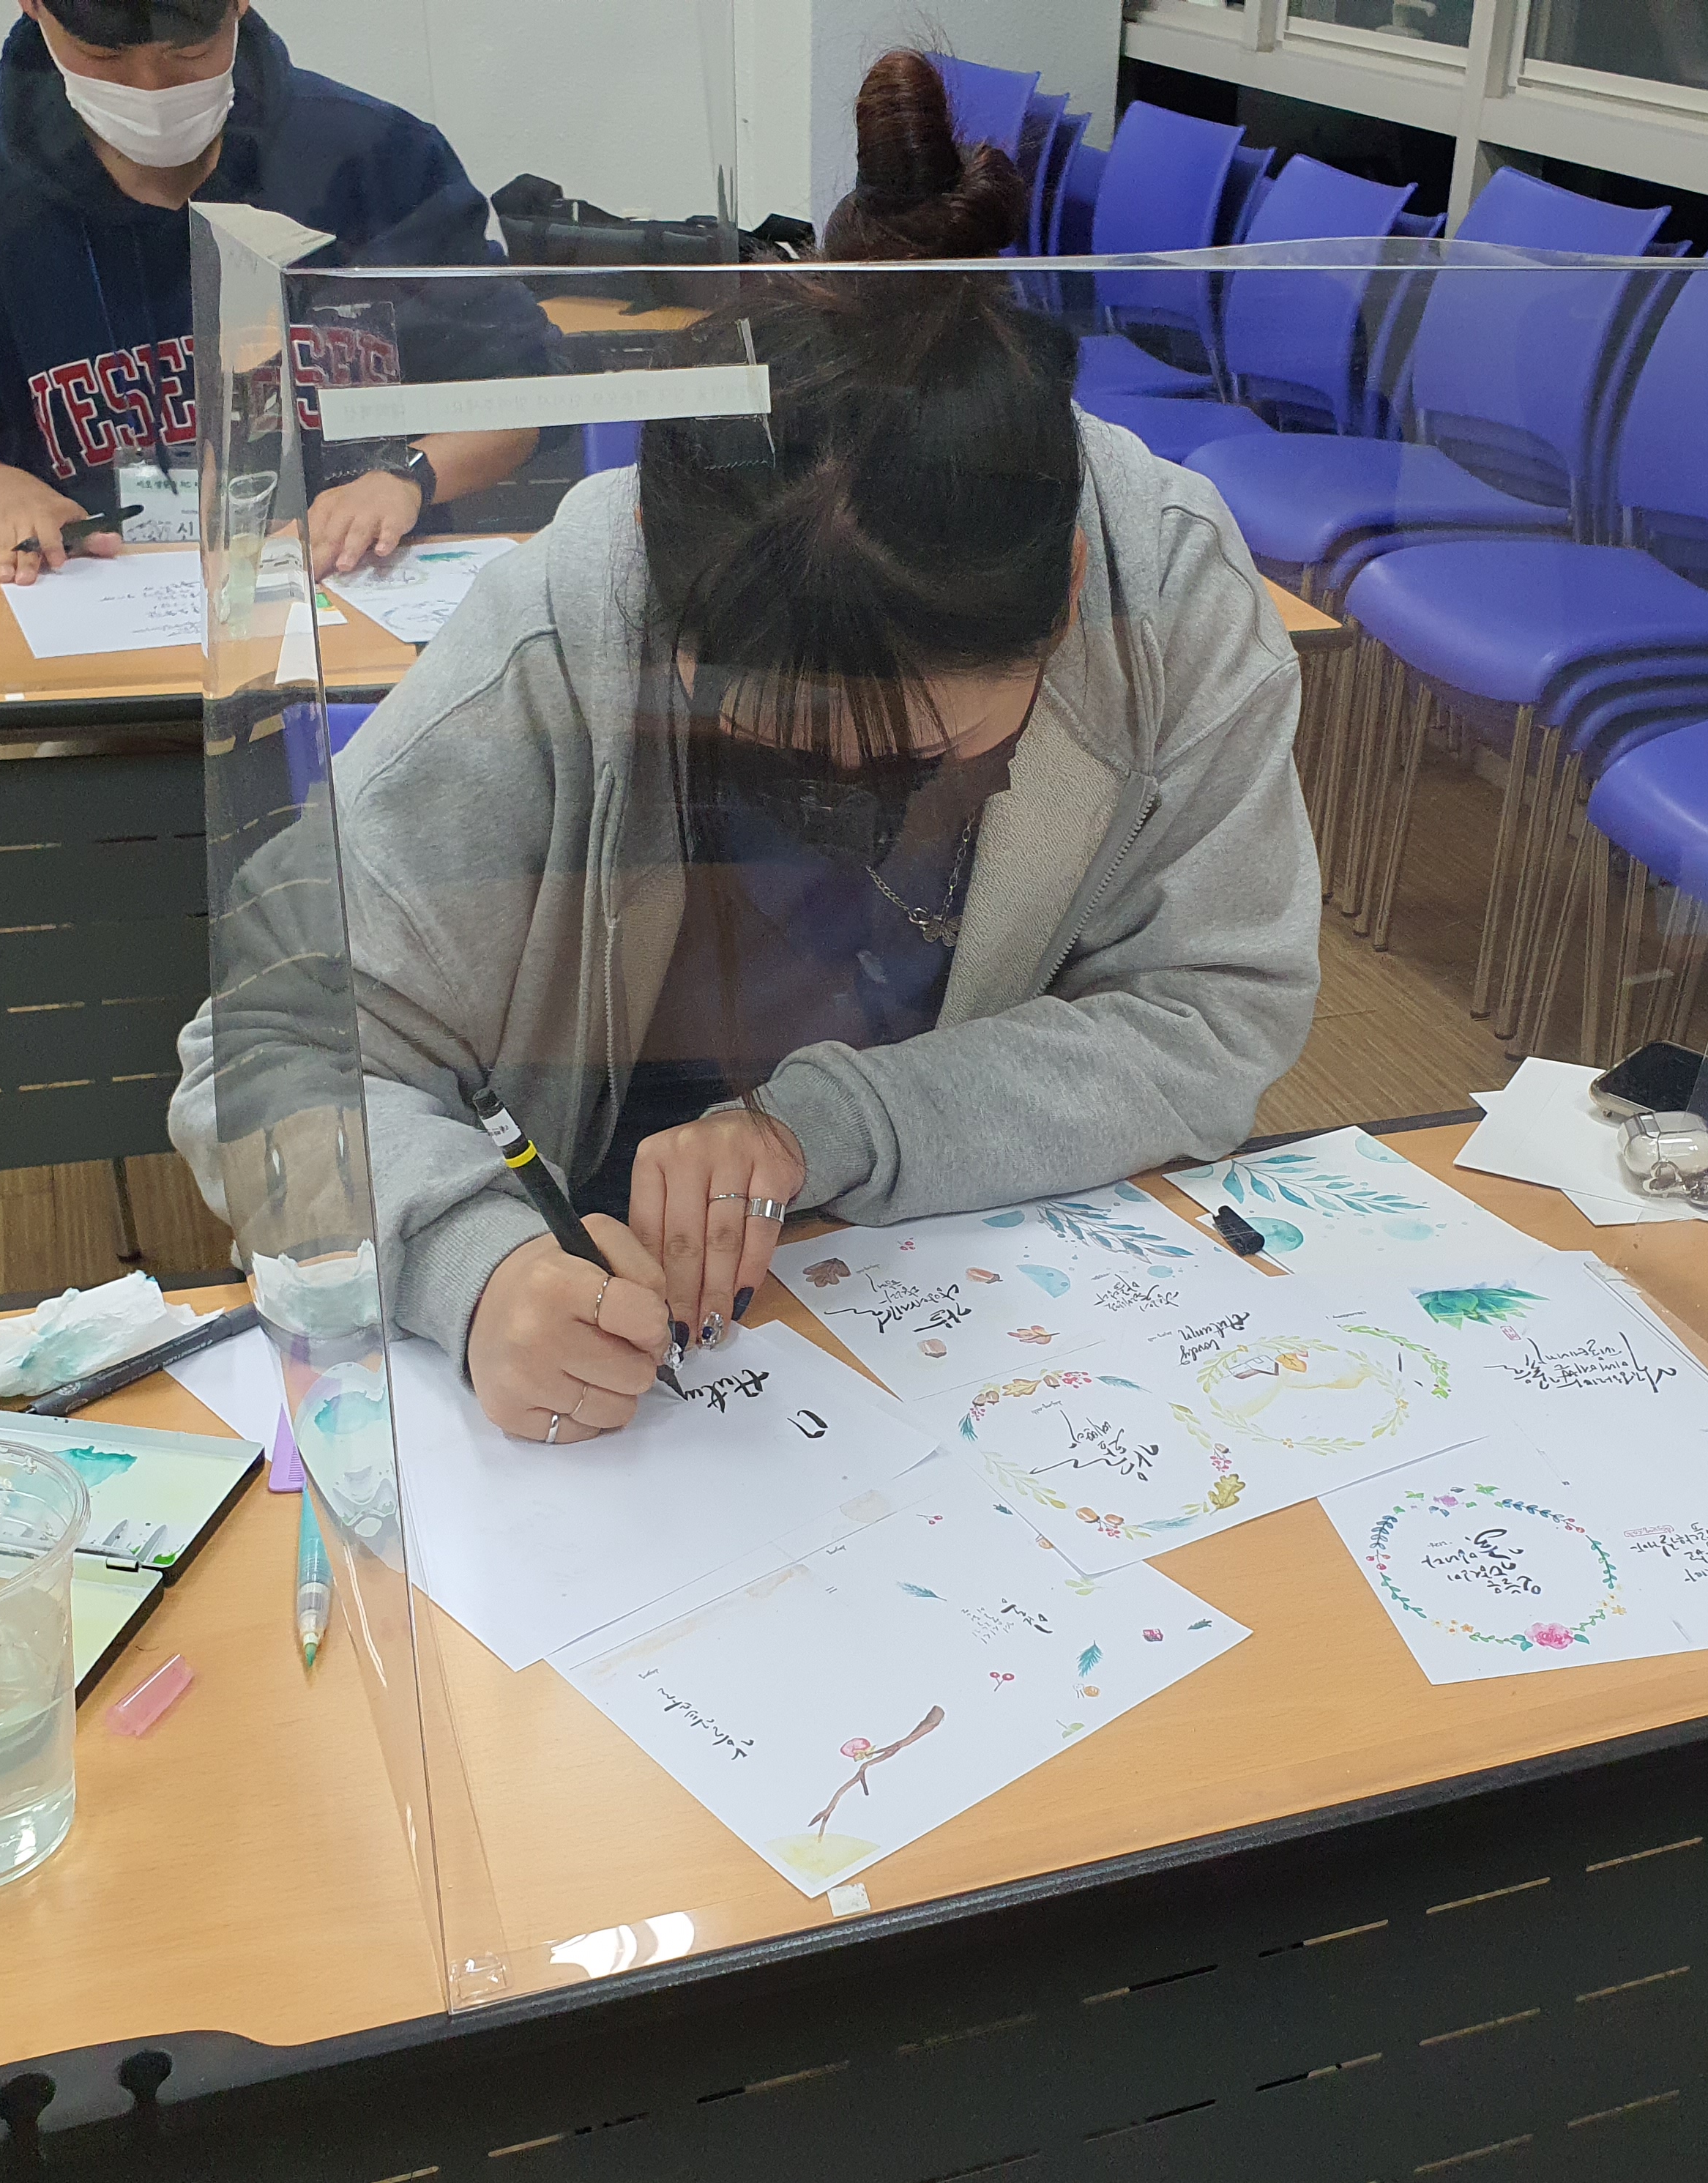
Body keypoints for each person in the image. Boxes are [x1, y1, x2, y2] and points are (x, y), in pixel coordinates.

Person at [172, 50, 1320, 1448]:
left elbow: (1213, 1008)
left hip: (969, 1310)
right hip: (609, 1297)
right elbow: (266, 1047)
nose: (839, 793)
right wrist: (471, 1263)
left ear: (1068, 595)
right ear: (670, 614)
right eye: (770, 743)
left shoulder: (1167, 593)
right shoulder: (580, 613)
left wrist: (824, 1122)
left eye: (913, 755)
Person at [0, 0, 552, 584]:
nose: (151, 87)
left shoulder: (378, 158)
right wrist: (0, 492)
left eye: (190, 51)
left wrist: (409, 478)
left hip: (356, 594)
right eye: (103, 56)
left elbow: (519, 388)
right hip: (97, 598)